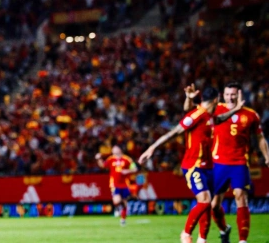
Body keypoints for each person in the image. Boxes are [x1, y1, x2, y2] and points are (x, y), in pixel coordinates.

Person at [139, 86, 236, 243]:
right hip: (193, 165)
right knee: (205, 200)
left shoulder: (211, 116)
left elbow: (220, 119)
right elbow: (174, 132)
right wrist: (152, 148)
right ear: (216, 100)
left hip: (208, 167)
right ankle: (185, 233)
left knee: (207, 206)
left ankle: (202, 240)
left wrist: (236, 109)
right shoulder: (197, 115)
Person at [185, 83, 269, 243]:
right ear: (223, 95)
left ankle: (242, 240)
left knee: (240, 196)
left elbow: (260, 137)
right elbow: (191, 112)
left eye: (233, 94)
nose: (230, 97)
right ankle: (224, 229)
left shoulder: (251, 115)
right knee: (213, 205)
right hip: (217, 163)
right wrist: (189, 98)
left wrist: (267, 156)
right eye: (228, 94)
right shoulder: (215, 109)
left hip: (240, 162)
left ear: (239, 95)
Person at [95, 145, 137, 226]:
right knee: (116, 201)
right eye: (113, 149)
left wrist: (127, 171)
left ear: (120, 149)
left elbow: (135, 169)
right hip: (114, 184)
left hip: (125, 184)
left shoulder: (127, 159)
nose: (114, 150)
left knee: (124, 203)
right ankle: (118, 208)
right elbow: (103, 165)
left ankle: (123, 220)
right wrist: (98, 159)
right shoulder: (111, 159)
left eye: (115, 148)